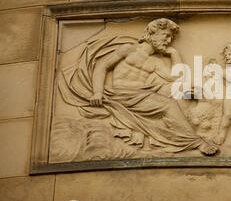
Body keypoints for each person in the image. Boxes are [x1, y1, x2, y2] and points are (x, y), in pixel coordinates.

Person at [58, 18, 218, 155]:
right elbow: (102, 66)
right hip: (122, 94)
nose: (168, 41)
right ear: (152, 33)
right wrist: (97, 92)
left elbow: (176, 77)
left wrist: (174, 53)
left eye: (170, 38)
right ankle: (195, 142)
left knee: (179, 92)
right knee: (167, 105)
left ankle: (192, 133)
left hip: (142, 95)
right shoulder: (128, 49)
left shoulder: (155, 62)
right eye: (166, 35)